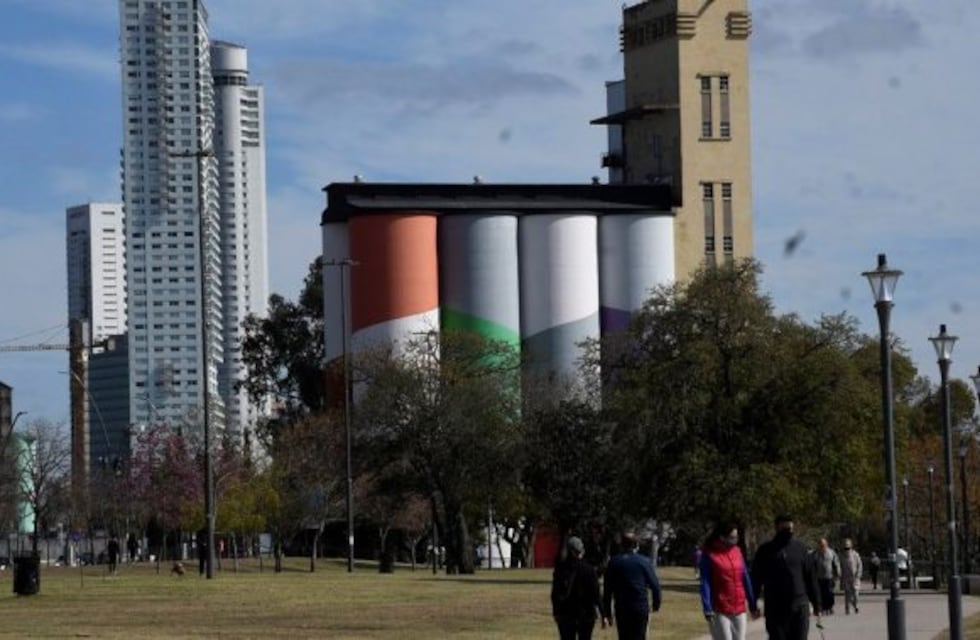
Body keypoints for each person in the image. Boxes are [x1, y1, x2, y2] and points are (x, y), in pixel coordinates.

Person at [751, 514, 821, 640]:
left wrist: (817, 604)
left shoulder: (801, 548)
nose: (789, 532)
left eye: (791, 529)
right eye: (785, 529)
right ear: (777, 528)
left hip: (800, 605)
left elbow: (811, 577)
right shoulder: (765, 551)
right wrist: (753, 603)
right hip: (775, 607)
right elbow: (756, 579)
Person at [699, 523, 760, 640]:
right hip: (719, 609)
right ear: (722, 537)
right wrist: (707, 607)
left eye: (737, 537)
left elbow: (745, 577)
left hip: (739, 608)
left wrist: (753, 604)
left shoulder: (737, 551)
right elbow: (705, 582)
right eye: (732, 537)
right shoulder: (709, 554)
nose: (735, 540)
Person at [602, 532, 662, 640]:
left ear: (622, 545)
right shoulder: (644, 562)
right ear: (636, 545)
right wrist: (656, 604)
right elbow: (655, 585)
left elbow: (607, 590)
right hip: (640, 607)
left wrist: (607, 613)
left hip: (622, 608)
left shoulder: (614, 562)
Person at [551, 536, 604, 640]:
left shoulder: (561, 569)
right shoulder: (589, 569)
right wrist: (603, 613)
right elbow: (596, 594)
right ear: (581, 550)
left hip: (565, 612)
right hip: (586, 613)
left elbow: (555, 593)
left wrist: (556, 611)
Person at [812, 538, 840, 614]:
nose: (822, 546)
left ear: (826, 544)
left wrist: (837, 574)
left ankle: (830, 607)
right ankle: (823, 608)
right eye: (820, 545)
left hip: (829, 577)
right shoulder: (815, 554)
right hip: (819, 578)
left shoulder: (831, 552)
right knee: (821, 593)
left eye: (823, 545)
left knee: (830, 593)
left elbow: (836, 564)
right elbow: (812, 566)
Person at [839, 539, 863, 615]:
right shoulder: (841, 555)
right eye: (845, 548)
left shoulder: (855, 555)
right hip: (846, 578)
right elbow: (839, 566)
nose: (847, 549)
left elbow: (860, 565)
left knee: (855, 594)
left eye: (848, 548)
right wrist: (839, 574)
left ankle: (855, 605)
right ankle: (847, 609)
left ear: (851, 546)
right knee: (847, 595)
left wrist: (858, 575)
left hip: (855, 578)